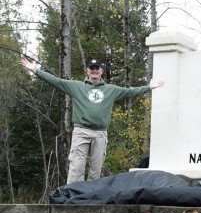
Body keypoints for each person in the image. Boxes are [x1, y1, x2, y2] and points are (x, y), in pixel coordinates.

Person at [20, 57, 164, 184]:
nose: (94, 71)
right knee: (77, 165)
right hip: (81, 131)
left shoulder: (111, 89)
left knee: (96, 169)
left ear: (101, 71)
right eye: (91, 69)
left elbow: (130, 91)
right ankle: (71, 196)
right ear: (87, 71)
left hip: (100, 133)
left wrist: (149, 87)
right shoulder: (76, 86)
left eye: (97, 69)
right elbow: (56, 81)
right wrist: (35, 70)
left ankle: (91, 199)